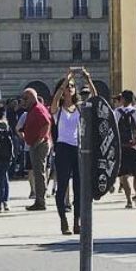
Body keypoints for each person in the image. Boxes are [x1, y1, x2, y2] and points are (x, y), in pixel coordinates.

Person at [50, 74, 83, 234]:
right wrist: (65, 81)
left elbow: (96, 98)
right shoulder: (58, 111)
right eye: (67, 87)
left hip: (77, 148)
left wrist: (88, 79)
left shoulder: (79, 108)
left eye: (72, 86)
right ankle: (63, 220)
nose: (69, 88)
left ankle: (77, 221)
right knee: (62, 186)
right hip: (62, 148)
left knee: (79, 187)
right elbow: (54, 102)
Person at [18, 89, 52, 212]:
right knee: (38, 173)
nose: (24, 101)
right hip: (36, 144)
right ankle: (39, 200)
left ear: (32, 97)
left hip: (39, 145)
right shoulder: (34, 109)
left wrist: (39, 140)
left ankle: (40, 201)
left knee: (39, 174)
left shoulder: (38, 109)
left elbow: (46, 123)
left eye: (25, 98)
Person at [115, 90, 136, 209]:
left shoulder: (116, 113)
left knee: (124, 175)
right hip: (135, 146)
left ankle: (128, 200)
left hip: (122, 147)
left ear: (122, 99)